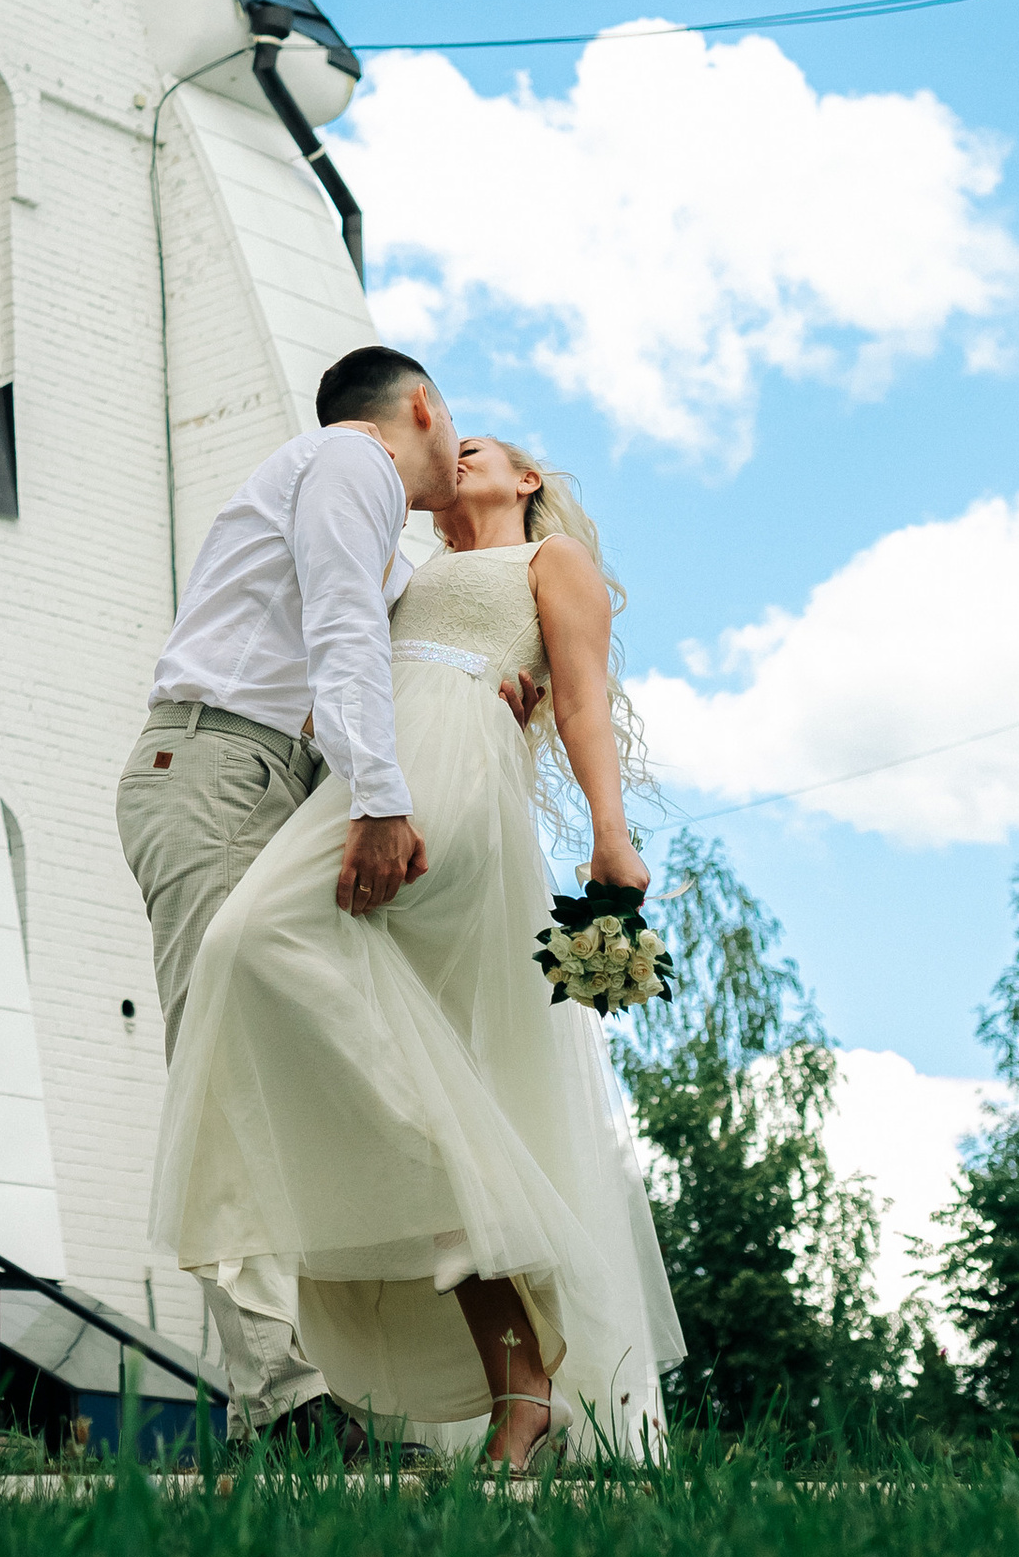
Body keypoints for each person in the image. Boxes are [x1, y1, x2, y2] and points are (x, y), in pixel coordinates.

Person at [149, 432, 684, 1470]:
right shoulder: (410, 570)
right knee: (418, 1076)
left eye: (483, 446)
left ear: (531, 479)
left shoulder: (547, 563)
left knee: (253, 939)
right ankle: (520, 1388)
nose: (461, 450)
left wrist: (611, 835)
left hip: (445, 784)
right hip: (365, 784)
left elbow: (576, 697)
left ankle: (508, 1329)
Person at [115, 344, 470, 1445]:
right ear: (417, 405)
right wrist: (379, 797)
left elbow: (383, 641)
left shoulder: (364, 509)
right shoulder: (350, 462)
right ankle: (278, 1399)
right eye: (452, 421)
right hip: (218, 771)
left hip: (267, 784)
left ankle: (348, 1370)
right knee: (230, 1070)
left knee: (314, 1068)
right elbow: (340, 630)